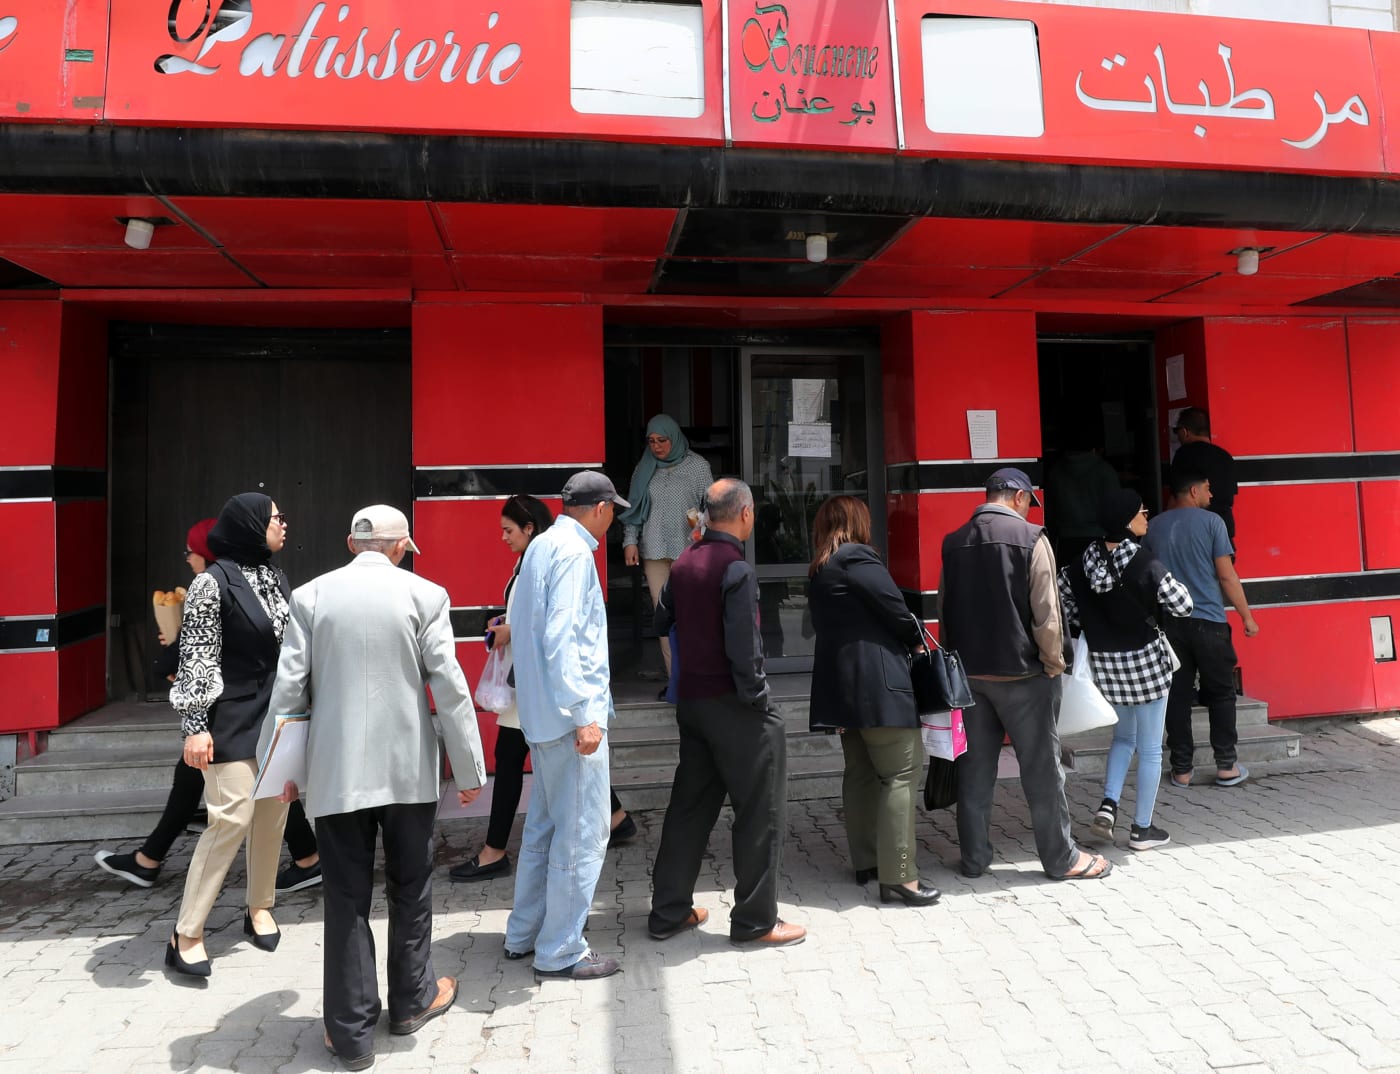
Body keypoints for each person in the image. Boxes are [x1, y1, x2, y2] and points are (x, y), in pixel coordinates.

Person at [261, 504, 487, 1070]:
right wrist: (468, 769)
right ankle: (411, 1002)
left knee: (344, 896)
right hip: (409, 771)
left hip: (336, 774)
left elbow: (289, 693)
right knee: (411, 886)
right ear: (400, 546)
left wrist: (281, 773)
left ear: (350, 542)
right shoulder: (426, 595)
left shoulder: (311, 598)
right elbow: (450, 686)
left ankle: (349, 1031)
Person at [95, 519, 323, 893]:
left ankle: (157, 868)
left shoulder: (222, 586)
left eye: (191, 551)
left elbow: (204, 656)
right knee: (239, 781)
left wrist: (175, 653)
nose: (188, 559)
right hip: (229, 714)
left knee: (256, 788)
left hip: (232, 714)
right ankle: (149, 858)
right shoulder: (228, 585)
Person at [648, 478, 806, 947]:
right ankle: (756, 921)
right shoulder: (736, 568)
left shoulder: (684, 562)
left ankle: (668, 911)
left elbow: (661, 621)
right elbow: (745, 648)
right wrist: (758, 699)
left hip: (693, 705)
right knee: (760, 811)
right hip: (736, 707)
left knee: (689, 810)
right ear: (745, 514)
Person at [449, 495, 635, 884]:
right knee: (540, 760)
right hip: (535, 683)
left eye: (508, 530)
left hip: (540, 684)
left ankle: (494, 851)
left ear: (529, 527)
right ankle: (615, 818)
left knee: (517, 760)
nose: (503, 537)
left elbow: (552, 626)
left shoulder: (555, 556)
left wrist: (509, 630)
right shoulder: (537, 558)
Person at [939, 467, 1112, 882]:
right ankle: (1061, 858)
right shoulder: (1032, 538)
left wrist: (954, 669)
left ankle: (974, 859)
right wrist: (1054, 666)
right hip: (1024, 675)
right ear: (1019, 497)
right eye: (1029, 502)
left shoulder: (953, 542)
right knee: (1042, 771)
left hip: (971, 676)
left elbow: (945, 610)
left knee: (974, 770)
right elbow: (1047, 615)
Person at [504, 471, 627, 981]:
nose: (614, 517)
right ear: (600, 509)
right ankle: (560, 949)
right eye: (613, 509)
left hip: (539, 715)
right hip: (568, 720)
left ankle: (524, 934)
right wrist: (585, 714)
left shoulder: (541, 545)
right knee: (581, 836)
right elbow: (563, 639)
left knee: (544, 829)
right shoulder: (576, 553)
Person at [164, 493, 293, 977]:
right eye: (277, 518)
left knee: (272, 812)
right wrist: (195, 727)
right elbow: (195, 657)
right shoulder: (210, 583)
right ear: (252, 524)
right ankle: (187, 932)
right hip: (230, 716)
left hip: (276, 714)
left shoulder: (275, 576)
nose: (284, 525)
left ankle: (259, 907)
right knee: (231, 819)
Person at [806, 496, 940, 907]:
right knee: (901, 773)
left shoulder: (820, 568)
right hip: (880, 687)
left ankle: (866, 862)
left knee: (860, 773)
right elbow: (898, 613)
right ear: (857, 522)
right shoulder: (859, 559)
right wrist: (916, 639)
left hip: (841, 688)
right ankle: (900, 875)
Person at [1057, 489, 1193, 851]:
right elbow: (1184, 605)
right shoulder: (1144, 562)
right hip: (1146, 662)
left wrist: (1094, 621)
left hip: (1105, 665)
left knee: (1122, 738)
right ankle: (1142, 829)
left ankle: (1108, 805)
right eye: (1141, 511)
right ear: (1126, 520)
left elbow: (1063, 604)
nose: (1146, 516)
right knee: (1150, 749)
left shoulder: (1079, 562)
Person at [1143, 473, 1260, 789]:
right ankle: (1226, 766)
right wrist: (1247, 617)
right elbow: (1226, 576)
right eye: (1208, 487)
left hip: (1170, 624)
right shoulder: (1213, 523)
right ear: (1193, 490)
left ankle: (1181, 769)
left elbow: (1147, 575)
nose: (1212, 492)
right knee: (1221, 694)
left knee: (1176, 696)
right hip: (1209, 622)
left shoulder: (1153, 526)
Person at [618, 414, 714, 691]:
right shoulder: (644, 468)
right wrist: (629, 541)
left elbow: (712, 509)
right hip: (655, 550)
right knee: (664, 616)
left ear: (674, 437)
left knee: (691, 615)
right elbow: (633, 509)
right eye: (651, 441)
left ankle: (697, 678)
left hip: (690, 551)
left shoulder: (698, 467)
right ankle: (677, 681)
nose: (657, 447)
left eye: (662, 440)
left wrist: (702, 531)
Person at [1045, 421, 1120, 566]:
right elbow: (1116, 509)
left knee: (1067, 585)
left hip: (1065, 539)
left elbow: (1050, 509)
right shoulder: (1104, 470)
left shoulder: (1056, 471)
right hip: (1099, 537)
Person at [1171, 407, 1237, 546]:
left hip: (1193, 532)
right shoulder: (1225, 457)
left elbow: (1175, 498)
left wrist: (1168, 526)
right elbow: (1230, 497)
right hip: (1224, 530)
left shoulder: (1183, 455)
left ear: (1184, 431)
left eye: (1177, 432)